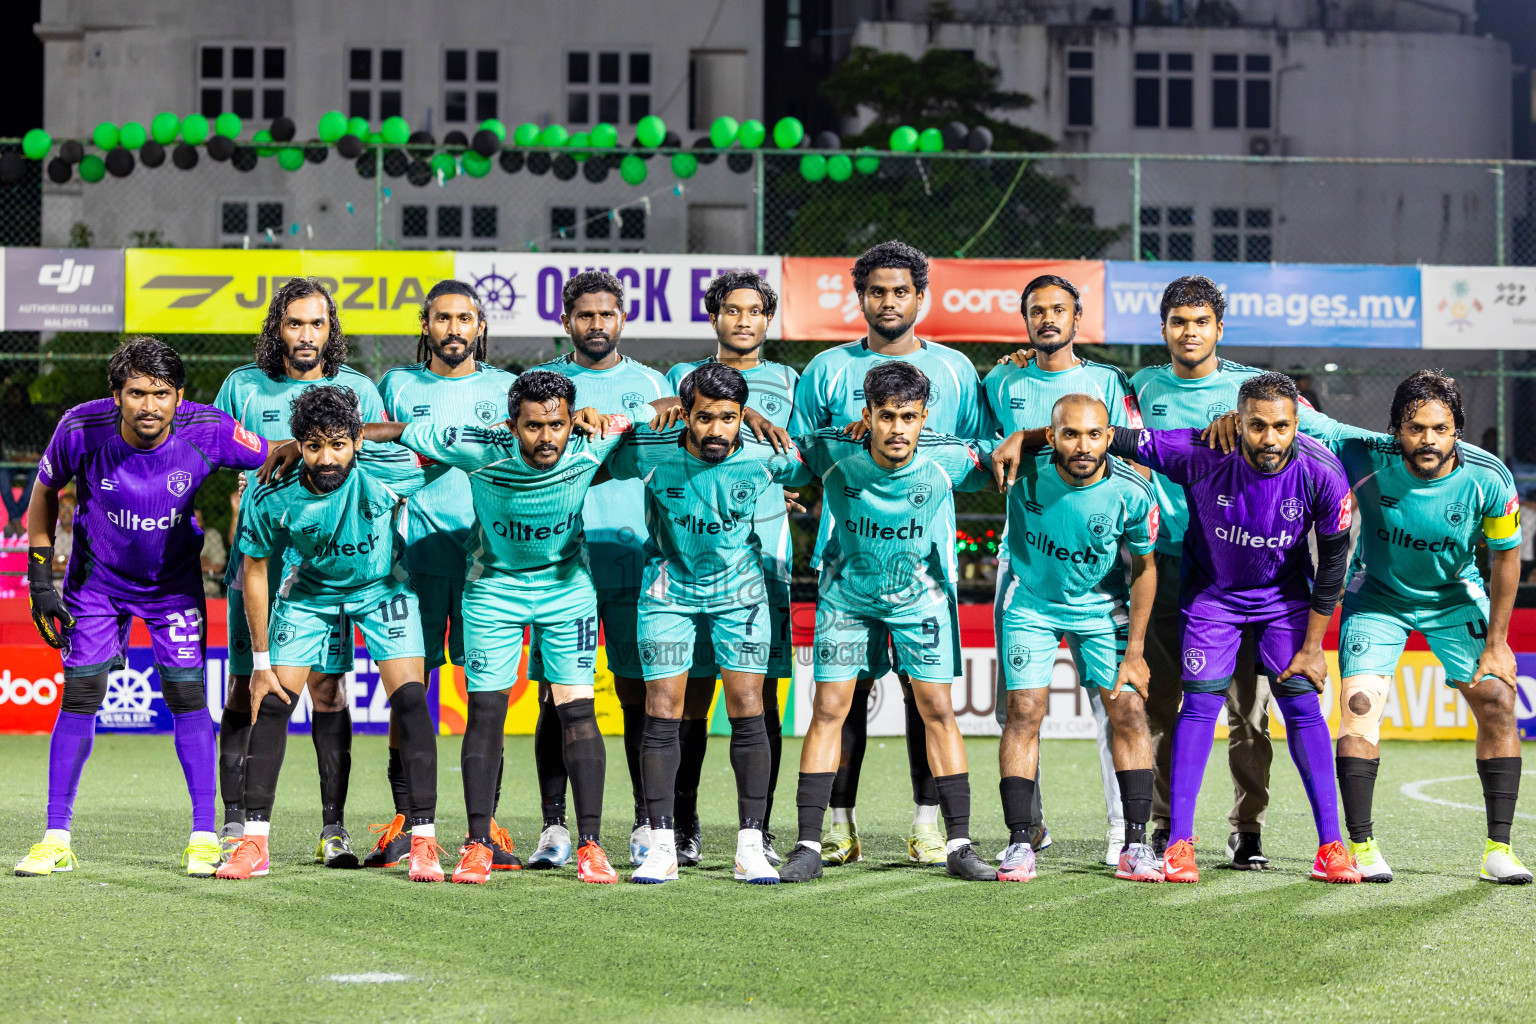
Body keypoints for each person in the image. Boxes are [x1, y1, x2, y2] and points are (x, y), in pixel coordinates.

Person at [1206, 371, 1530, 884]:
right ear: (1396, 430)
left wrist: (1497, 644)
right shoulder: (1363, 452)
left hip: (1454, 599)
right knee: (1359, 709)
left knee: (1497, 701)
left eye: (1440, 429)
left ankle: (1499, 849)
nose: (1427, 439)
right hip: (1376, 596)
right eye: (1414, 427)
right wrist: (1231, 417)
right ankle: (1362, 845)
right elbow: (1288, 408)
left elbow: (1507, 557)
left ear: (1457, 430)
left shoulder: (1489, 476)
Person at [14, 337, 271, 878]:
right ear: (116, 395)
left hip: (173, 586)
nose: (148, 406)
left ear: (179, 395)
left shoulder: (211, 429)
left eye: (160, 393)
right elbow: (42, 493)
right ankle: (56, 836)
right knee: (81, 691)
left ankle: (204, 836)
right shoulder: (80, 428)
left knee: (185, 695)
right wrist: (40, 582)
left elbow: (277, 455)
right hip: (96, 585)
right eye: (135, 393)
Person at [362, 371, 633, 883]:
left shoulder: (598, 436)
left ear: (572, 420)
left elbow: (672, 416)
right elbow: (398, 431)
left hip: (567, 591)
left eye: (556, 425)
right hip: (493, 592)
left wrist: (748, 415)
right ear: (511, 425)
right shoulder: (476, 445)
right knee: (486, 712)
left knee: (578, 712)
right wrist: (345, 435)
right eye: (532, 427)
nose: (546, 437)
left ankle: (592, 846)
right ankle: (477, 844)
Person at [1087, 372, 1356, 882]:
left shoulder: (1323, 472)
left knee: (1302, 705)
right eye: (1256, 425)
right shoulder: (1201, 451)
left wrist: (1315, 647)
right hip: (1214, 599)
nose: (1269, 438)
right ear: (1239, 420)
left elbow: (1335, 565)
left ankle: (1331, 847)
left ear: (1297, 423)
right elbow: (1108, 435)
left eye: (1281, 426)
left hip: (1285, 601)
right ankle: (1180, 845)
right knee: (1200, 706)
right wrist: (1031, 436)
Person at [789, 240, 984, 867]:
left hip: (924, 570)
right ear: (860, 297)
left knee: (924, 699)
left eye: (901, 291)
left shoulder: (955, 370)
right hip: (846, 563)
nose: (889, 301)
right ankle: (834, 828)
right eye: (877, 291)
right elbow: (797, 453)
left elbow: (981, 455)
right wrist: (842, 442)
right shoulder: (825, 369)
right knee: (839, 704)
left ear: (920, 297)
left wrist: (930, 450)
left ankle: (933, 826)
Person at [1129, 274, 1323, 869]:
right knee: (1165, 706)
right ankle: (1168, 826)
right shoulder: (1139, 385)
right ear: (1163, 329)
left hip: (1249, 569)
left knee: (1250, 711)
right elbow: (1095, 427)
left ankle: (1247, 828)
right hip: (1166, 565)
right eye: (1179, 322)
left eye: (1201, 322)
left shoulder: (1253, 392)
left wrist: (1239, 423)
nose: (1190, 332)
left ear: (1220, 328)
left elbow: (1315, 431)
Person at [216, 387, 439, 881]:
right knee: (273, 702)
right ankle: (254, 843)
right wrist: (258, 661)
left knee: (410, 699)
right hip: (308, 595)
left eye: (338, 444)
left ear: (358, 441)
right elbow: (253, 568)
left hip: (384, 589)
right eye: (313, 445)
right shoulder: (269, 487)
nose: (326, 458)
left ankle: (424, 841)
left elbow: (440, 442)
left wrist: (376, 434)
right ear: (298, 444)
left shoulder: (389, 468)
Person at [607, 362, 805, 885]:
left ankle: (750, 845)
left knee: (748, 707)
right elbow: (600, 446)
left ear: (743, 416)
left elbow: (828, 460)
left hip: (740, 593)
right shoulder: (651, 449)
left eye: (728, 418)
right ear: (684, 415)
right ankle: (661, 845)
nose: (716, 430)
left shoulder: (768, 454)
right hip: (668, 591)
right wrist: (636, 414)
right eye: (703, 418)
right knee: (662, 709)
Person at [213, 278, 382, 868]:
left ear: (331, 329)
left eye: (317, 324)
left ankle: (333, 829)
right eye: (294, 324)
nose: (306, 335)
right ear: (276, 328)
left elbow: (379, 452)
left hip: (327, 570)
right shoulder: (242, 386)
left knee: (329, 689)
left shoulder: (357, 388)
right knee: (249, 685)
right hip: (257, 564)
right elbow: (213, 451)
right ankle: (237, 823)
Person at [986, 273, 1144, 866]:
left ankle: (1118, 833)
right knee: (1017, 708)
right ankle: (1030, 829)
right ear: (1024, 318)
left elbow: (1124, 444)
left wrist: (1032, 435)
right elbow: (990, 452)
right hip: (1023, 560)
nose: (1048, 319)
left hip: (1097, 567)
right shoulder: (1001, 378)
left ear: (1077, 319)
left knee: (1117, 703)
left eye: (1059, 309)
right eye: (1036, 310)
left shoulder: (1108, 380)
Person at [531, 271, 675, 869]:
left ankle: (645, 823)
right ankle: (554, 828)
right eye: (584, 315)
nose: (596, 324)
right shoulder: (542, 386)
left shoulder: (653, 383)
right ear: (567, 321)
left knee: (636, 692)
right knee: (555, 697)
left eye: (606, 314)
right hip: (560, 562)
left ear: (623, 318)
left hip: (635, 558)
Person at [379, 279, 521, 870]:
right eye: (443, 319)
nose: (455, 329)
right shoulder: (397, 385)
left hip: (487, 565)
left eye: (465, 318)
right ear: (426, 325)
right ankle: (408, 822)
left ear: (480, 326)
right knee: (409, 695)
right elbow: (371, 456)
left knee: (485, 697)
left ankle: (482, 827)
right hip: (413, 563)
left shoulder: (508, 389)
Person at [994, 394, 1162, 883]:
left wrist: (1135, 652)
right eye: (1070, 434)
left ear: (1110, 438)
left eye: (1094, 434)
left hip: (1101, 611)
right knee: (1024, 712)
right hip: (1031, 605)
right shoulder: (1021, 469)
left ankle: (1135, 845)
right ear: (1051, 437)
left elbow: (1146, 569)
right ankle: (1020, 840)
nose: (1083, 445)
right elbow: (962, 454)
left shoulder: (1133, 491)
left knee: (1128, 710)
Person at [664, 270, 799, 868]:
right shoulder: (679, 380)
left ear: (768, 320)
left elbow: (807, 455)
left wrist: (781, 483)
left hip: (764, 562)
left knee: (758, 697)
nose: (744, 320)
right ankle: (685, 824)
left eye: (755, 311)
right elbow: (655, 430)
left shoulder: (793, 380)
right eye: (731, 310)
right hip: (689, 563)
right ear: (713, 317)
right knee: (691, 696)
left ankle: (759, 830)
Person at [197, 508, 227, 598]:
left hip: (210, 593)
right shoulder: (176, 538)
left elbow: (218, 567)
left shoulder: (213, 535)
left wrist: (191, 565)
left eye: (199, 520)